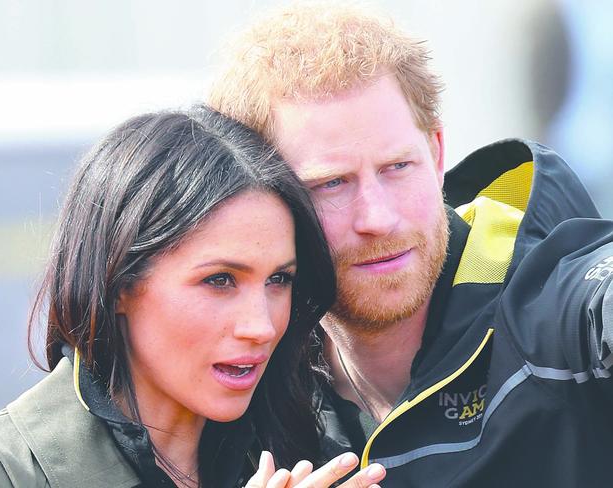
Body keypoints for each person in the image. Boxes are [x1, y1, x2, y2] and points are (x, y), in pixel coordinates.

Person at [208, 2, 613, 486]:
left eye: (398, 167)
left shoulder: (552, 299)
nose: (378, 217)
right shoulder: (242, 373)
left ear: (436, 154)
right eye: (331, 184)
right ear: (263, 199)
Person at [0, 106, 387, 488]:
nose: (260, 326)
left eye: (278, 280)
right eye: (220, 280)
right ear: (119, 284)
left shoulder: (320, 455)